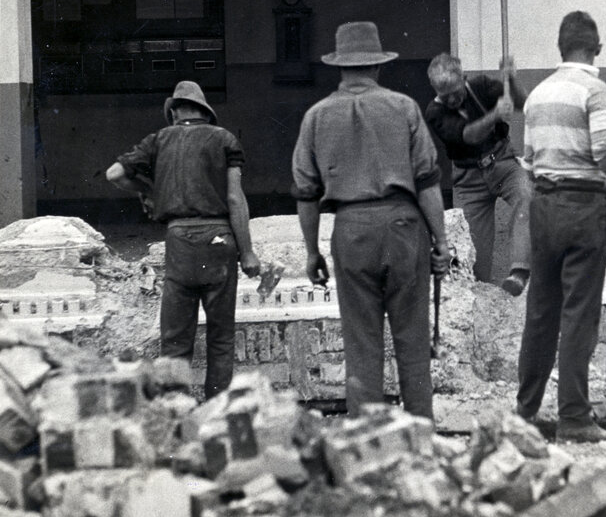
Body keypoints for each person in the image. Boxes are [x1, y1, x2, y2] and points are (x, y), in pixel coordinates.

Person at [291, 21, 450, 422]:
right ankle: (421, 435)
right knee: (412, 340)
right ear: (379, 66)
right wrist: (441, 242)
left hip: (351, 228)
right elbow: (428, 183)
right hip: (403, 225)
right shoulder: (404, 107)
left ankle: (368, 441)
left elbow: (306, 195)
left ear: (340, 68)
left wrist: (311, 251)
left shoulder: (316, 116)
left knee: (362, 344)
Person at [106, 80, 261, 399]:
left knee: (175, 341)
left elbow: (114, 174)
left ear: (175, 112)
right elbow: (235, 199)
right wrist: (248, 253)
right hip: (218, 240)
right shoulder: (224, 139)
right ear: (205, 112)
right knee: (221, 338)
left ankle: (177, 412)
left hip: (179, 242)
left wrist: (150, 190)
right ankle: (217, 409)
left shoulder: (158, 140)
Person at [515, 11, 606, 442]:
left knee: (541, 314)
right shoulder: (595, 90)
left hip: (544, 205)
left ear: (560, 49)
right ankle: (575, 418)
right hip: (583, 208)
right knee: (579, 314)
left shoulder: (539, 94)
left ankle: (524, 413)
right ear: (595, 49)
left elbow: (528, 157)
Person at [425, 53, 532, 295]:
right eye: (445, 95)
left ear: (464, 78)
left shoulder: (481, 86)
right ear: (435, 90)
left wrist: (511, 79)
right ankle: (483, 293)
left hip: (502, 162)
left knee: (525, 194)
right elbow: (468, 135)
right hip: (468, 179)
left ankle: (519, 270)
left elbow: (521, 103)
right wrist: (495, 115)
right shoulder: (433, 112)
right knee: (474, 253)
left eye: (455, 90)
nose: (452, 99)